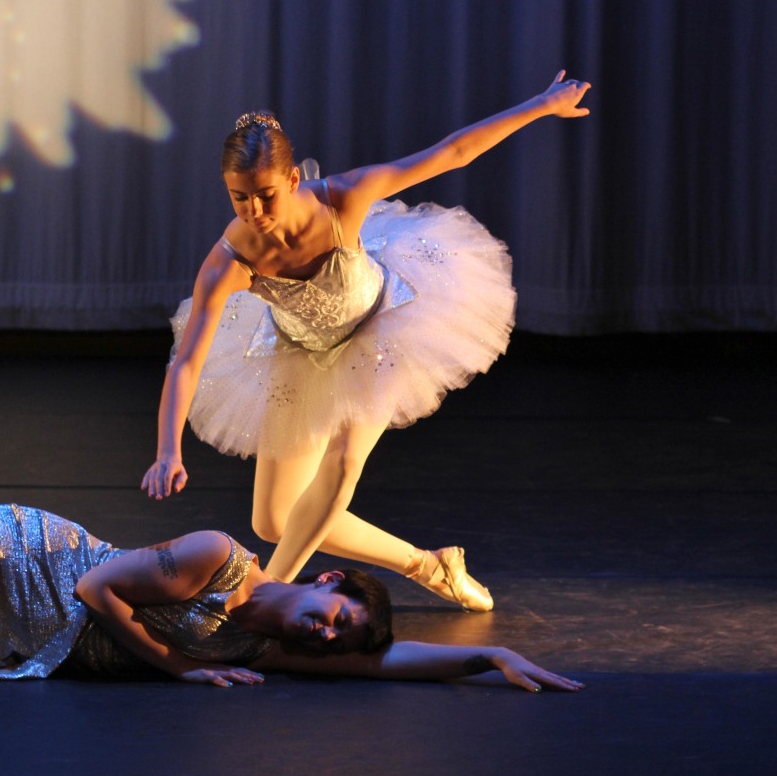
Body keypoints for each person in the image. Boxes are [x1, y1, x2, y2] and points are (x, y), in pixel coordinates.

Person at [141, 71, 592, 611]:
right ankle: (429, 565)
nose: (253, 213)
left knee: (342, 464)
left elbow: (452, 153)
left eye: (264, 196)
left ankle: (254, 604)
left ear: (290, 181)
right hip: (302, 353)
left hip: (379, 334)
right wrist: (168, 448)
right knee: (276, 519)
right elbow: (187, 361)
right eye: (239, 199)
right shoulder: (228, 263)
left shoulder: (342, 200)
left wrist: (541, 106)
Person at [0, 503, 583, 692]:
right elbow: (90, 585)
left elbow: (383, 661)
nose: (327, 635)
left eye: (335, 639)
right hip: (18, 558)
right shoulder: (220, 560)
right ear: (327, 579)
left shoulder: (261, 647)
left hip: (24, 640)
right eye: (337, 617)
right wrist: (174, 664)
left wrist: (489, 653)